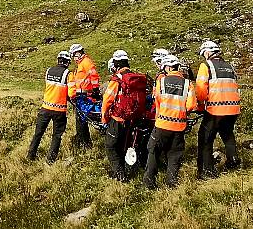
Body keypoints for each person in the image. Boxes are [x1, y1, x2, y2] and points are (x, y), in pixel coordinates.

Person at [143, 54, 197, 189]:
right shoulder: (188, 84)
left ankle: (149, 182)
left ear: (167, 67)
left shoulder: (161, 82)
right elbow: (191, 105)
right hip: (179, 125)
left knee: (153, 150)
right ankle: (171, 183)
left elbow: (157, 100)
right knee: (174, 154)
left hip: (162, 123)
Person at [195, 40, 241, 179]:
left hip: (215, 109)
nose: (204, 56)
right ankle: (233, 162)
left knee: (205, 139)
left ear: (208, 52)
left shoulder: (206, 66)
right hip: (233, 109)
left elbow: (201, 89)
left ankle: (207, 171)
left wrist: (201, 104)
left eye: (204, 54)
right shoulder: (230, 66)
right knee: (228, 135)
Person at [102, 50, 148, 182]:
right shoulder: (135, 78)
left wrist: (105, 118)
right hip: (133, 119)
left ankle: (120, 174)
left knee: (110, 146)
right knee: (124, 145)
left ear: (116, 64)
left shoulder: (117, 80)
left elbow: (107, 100)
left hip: (118, 119)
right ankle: (127, 169)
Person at [27, 50, 72, 163]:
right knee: (57, 136)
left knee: (38, 133)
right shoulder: (68, 74)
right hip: (59, 110)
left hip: (45, 108)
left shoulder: (48, 71)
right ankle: (50, 160)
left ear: (58, 60)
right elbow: (71, 93)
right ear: (67, 62)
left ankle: (30, 156)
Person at [68, 43, 100, 148]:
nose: (73, 58)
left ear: (78, 53)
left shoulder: (86, 62)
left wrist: (95, 90)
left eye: (73, 55)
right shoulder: (82, 64)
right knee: (81, 119)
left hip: (86, 96)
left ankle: (85, 143)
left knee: (81, 119)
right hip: (81, 95)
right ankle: (84, 141)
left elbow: (94, 75)